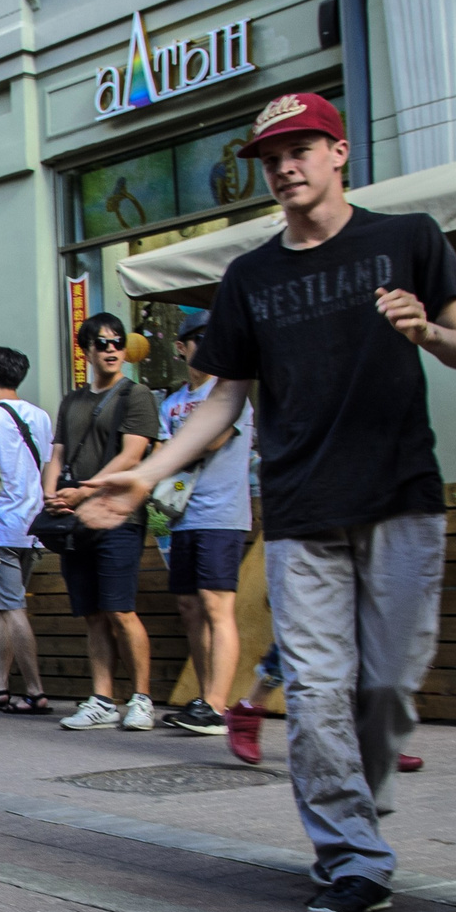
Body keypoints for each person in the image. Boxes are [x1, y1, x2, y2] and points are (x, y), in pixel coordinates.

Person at [78, 89, 456, 912]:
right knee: (314, 689)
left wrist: (428, 333)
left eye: (301, 149)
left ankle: (360, 815)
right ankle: (352, 857)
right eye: (271, 158)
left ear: (339, 153)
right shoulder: (252, 276)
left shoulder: (408, 241)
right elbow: (223, 400)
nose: (285, 167)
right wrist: (148, 474)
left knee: (387, 689)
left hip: (400, 498)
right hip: (303, 510)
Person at [46, 313, 158, 732]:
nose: (112, 350)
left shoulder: (136, 394)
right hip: (75, 518)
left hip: (118, 516)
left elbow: (133, 455)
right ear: (87, 351)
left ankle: (142, 698)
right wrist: (51, 494)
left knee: (120, 609)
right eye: (103, 343)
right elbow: (56, 454)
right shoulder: (72, 401)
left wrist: (84, 492)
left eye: (117, 343)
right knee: (92, 613)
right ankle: (102, 698)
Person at [157, 313, 256, 736]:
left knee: (218, 606)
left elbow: (212, 438)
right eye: (198, 339)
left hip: (222, 515)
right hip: (182, 518)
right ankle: (202, 698)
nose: (207, 345)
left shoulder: (231, 394)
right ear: (181, 347)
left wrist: (177, 451)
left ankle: (217, 704)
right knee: (189, 607)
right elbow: (164, 451)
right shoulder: (170, 403)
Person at [0, 346, 51, 715]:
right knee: (3, 606)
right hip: (32, 527)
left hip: (0, 526)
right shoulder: (41, 417)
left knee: (12, 606)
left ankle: (35, 690)